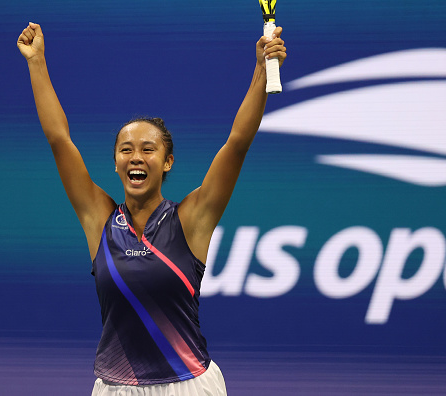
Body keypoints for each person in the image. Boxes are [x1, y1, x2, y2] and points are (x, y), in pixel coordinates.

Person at [17, 22, 286, 395]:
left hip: (189, 386)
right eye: (126, 150)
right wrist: (37, 63)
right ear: (115, 162)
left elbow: (237, 143)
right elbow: (59, 139)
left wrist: (261, 70)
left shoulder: (192, 219)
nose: (135, 157)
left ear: (168, 162)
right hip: (116, 388)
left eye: (148, 149)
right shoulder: (100, 221)